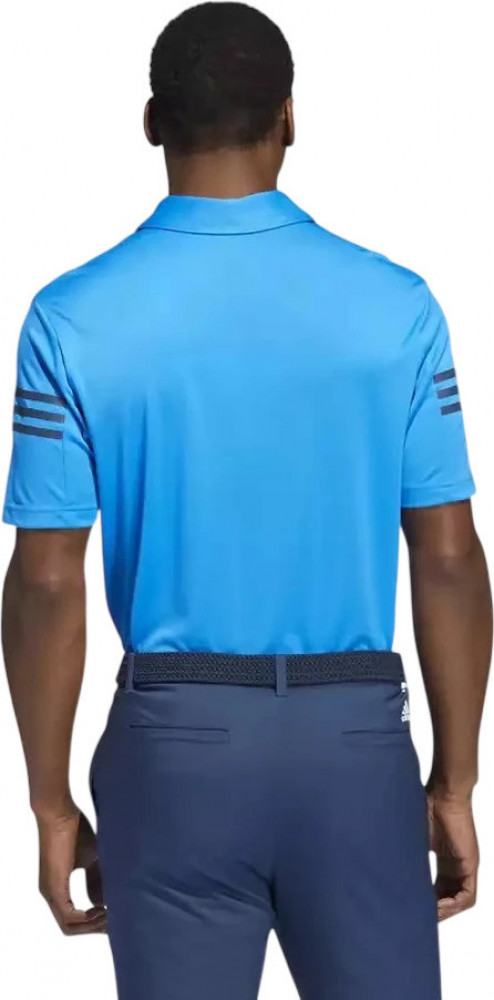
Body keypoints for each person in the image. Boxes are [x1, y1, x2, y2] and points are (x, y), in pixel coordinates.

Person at [2, 3, 491, 999]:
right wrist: (453, 779)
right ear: (289, 118)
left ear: (151, 123)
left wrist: (50, 803)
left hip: (172, 754)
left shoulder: (70, 316)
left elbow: (47, 579)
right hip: (352, 747)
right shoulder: (396, 307)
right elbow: (445, 556)